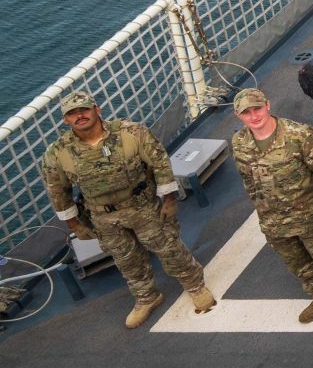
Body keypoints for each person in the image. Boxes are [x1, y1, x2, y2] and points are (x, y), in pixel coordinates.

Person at [43, 90, 215, 328]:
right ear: (65, 120)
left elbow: (160, 163)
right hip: (103, 217)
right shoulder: (58, 153)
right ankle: (147, 297)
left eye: (84, 109)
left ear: (97, 109)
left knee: (168, 248)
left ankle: (194, 286)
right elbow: (57, 190)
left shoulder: (131, 132)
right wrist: (74, 225)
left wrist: (169, 200)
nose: (79, 116)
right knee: (127, 260)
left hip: (142, 207)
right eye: (72, 114)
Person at [229, 88, 313, 325]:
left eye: (257, 108)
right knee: (298, 263)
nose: (254, 116)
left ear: (268, 105)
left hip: (312, 215)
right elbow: (248, 180)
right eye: (246, 113)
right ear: (238, 116)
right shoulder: (240, 143)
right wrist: (261, 209)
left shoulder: (298, 135)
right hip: (274, 221)